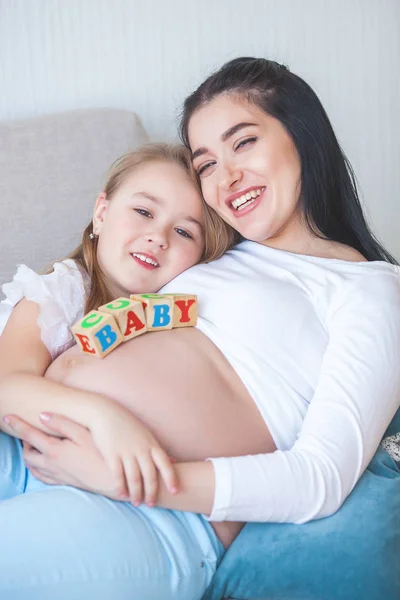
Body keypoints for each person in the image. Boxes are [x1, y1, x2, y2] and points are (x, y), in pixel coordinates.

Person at [1, 57, 400, 600]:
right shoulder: (207, 254)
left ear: (303, 135)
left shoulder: (367, 288)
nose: (227, 176)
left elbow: (320, 477)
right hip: (28, 436)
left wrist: (118, 475)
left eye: (243, 142)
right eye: (207, 163)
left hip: (142, 509)